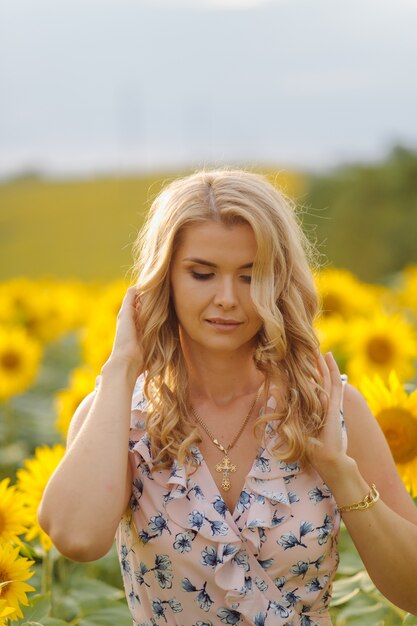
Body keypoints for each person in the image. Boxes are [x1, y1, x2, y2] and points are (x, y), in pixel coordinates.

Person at [39, 169, 417, 626]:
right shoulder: (122, 415)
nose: (226, 299)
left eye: (250, 276)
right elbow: (76, 538)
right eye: (202, 273)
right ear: (166, 280)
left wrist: (341, 472)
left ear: (278, 282)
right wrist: (122, 367)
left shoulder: (329, 408)